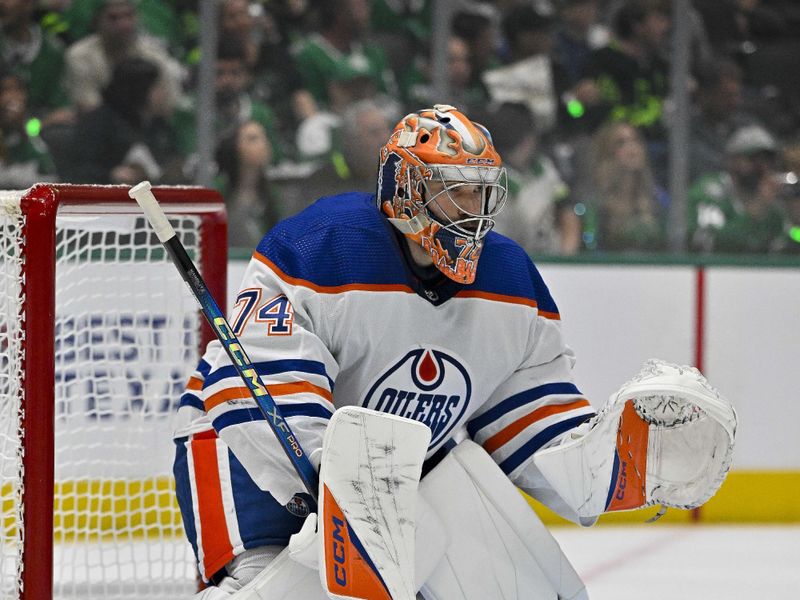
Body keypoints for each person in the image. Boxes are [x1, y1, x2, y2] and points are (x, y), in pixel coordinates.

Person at [173, 105, 735, 598]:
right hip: (241, 447)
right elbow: (258, 377)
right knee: (263, 590)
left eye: (482, 191)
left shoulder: (511, 278)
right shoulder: (321, 246)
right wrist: (333, 469)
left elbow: (532, 418)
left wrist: (615, 463)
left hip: (396, 477)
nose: (475, 208)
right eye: (456, 190)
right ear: (407, 190)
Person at [688, 124, 786, 253]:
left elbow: (788, 240)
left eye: (766, 160)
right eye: (753, 159)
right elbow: (707, 242)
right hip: (716, 270)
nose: (761, 166)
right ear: (732, 160)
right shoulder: (711, 191)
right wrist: (756, 209)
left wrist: (793, 215)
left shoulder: (772, 203)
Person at [575, 121, 669, 252]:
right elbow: (589, 251)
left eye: (636, 141)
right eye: (621, 143)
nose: (632, 149)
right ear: (606, 152)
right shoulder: (593, 206)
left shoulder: (659, 200)